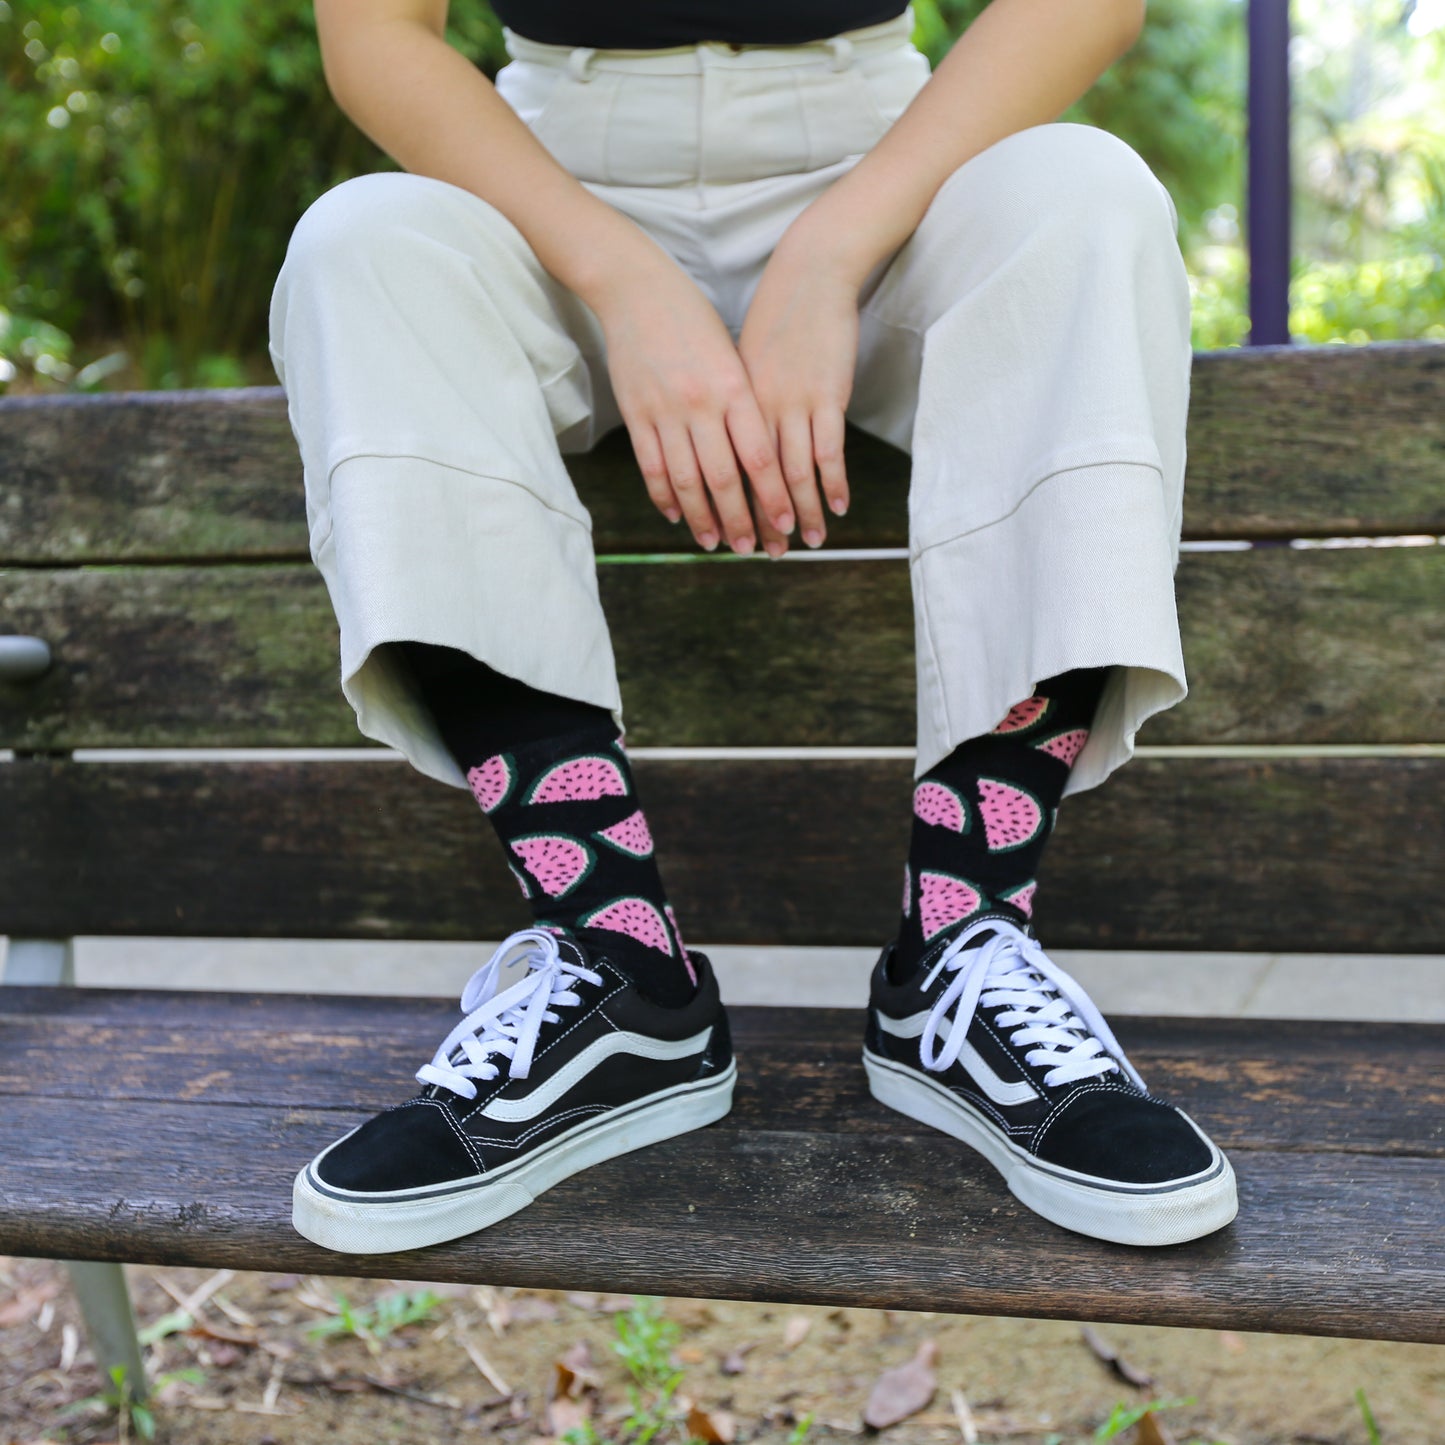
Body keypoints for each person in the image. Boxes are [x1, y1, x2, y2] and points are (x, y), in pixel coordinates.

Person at [270, 0, 1238, 1256]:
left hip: (893, 171)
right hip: (542, 193)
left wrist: (830, 252)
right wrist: (623, 278)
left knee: (1085, 195)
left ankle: (958, 942)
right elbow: (375, 36)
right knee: (359, 245)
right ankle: (621, 974)